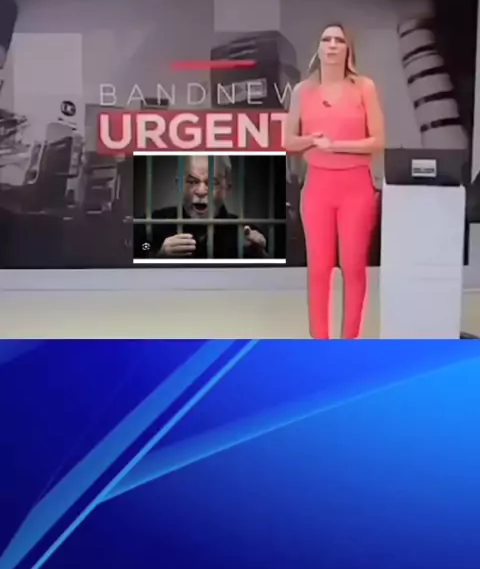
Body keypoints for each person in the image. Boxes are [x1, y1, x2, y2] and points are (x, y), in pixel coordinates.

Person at [284, 24, 385, 339]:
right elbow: (288, 140)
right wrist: (311, 140)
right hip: (318, 188)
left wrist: (336, 145)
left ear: (347, 49)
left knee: (353, 268)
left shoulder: (364, 87)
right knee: (319, 270)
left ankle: (349, 342)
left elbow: (378, 141)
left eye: (338, 40)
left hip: (356, 187)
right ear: (318, 48)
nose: (331, 45)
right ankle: (320, 344)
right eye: (325, 39)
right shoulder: (302, 91)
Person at [136, 154, 268, 260]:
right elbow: (142, 247)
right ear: (179, 184)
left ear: (227, 188)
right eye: (192, 181)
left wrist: (260, 255)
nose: (200, 191)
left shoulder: (246, 235)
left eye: (212, 183)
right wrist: (157, 254)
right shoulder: (151, 224)